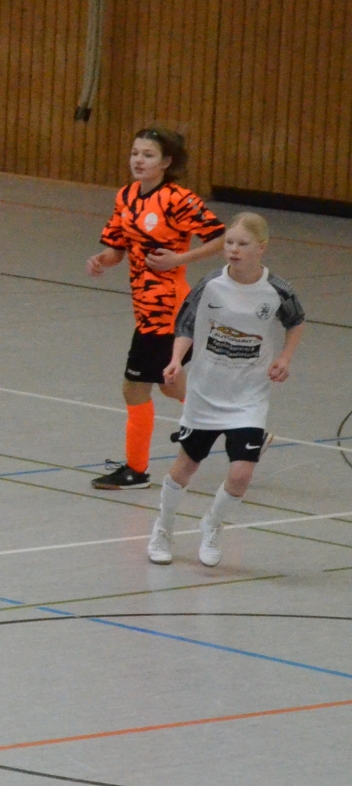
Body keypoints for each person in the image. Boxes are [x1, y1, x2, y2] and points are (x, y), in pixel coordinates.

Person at [148, 213, 304, 566]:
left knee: (241, 473)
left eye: (243, 244)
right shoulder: (210, 285)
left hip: (249, 395)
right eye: (229, 243)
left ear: (261, 248)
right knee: (185, 467)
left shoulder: (277, 289)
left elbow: (296, 320)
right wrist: (176, 360)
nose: (234, 249)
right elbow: (185, 325)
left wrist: (285, 357)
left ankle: (212, 525)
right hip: (205, 392)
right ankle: (163, 528)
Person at [86, 127, 226, 489]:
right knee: (170, 385)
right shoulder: (127, 196)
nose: (138, 160)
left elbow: (222, 237)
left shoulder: (178, 199)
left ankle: (136, 470)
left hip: (166, 311)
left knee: (134, 388)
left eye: (148, 155)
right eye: (135, 153)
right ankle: (243, 430)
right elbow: (117, 248)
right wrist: (102, 260)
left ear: (166, 162)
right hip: (145, 307)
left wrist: (180, 258)